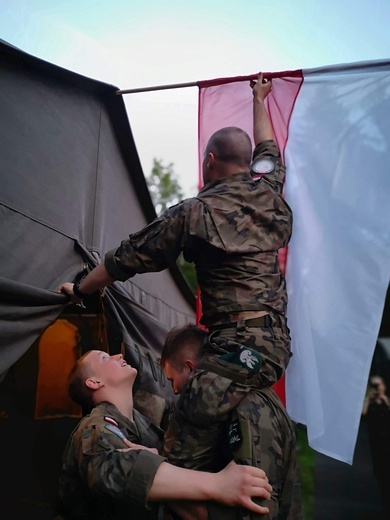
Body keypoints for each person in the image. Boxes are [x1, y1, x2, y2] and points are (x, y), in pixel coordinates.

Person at [58, 71, 293, 392]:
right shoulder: (268, 190)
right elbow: (268, 149)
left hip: (236, 345)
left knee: (187, 422)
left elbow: (124, 260)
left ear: (210, 161)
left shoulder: (192, 213)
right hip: (277, 341)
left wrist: (81, 290)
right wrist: (258, 99)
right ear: (246, 162)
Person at [56, 348, 272, 520]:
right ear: (94, 382)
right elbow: (109, 470)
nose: (118, 355)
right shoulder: (95, 428)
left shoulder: (144, 424)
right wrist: (218, 484)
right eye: (105, 358)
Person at [160, 324, 302, 520]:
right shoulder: (252, 396)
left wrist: (165, 490)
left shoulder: (244, 407)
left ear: (189, 368)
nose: (175, 390)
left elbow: (257, 508)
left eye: (171, 379)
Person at [362, 375, 390, 518]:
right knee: (381, 477)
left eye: (378, 385)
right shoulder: (370, 404)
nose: (377, 388)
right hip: (377, 446)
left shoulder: (386, 403)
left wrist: (385, 401)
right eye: (374, 385)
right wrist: (368, 399)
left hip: (387, 445)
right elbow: (362, 418)